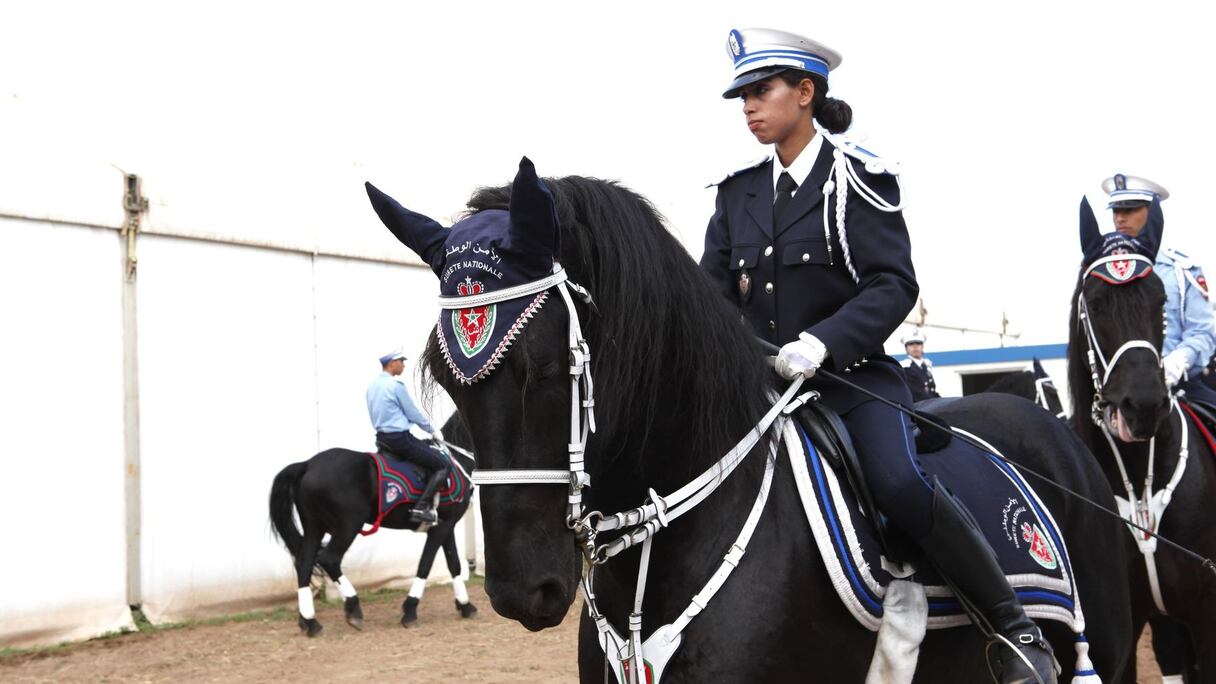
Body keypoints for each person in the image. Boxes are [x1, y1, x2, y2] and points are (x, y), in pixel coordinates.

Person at [700, 28, 1056, 682]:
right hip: (757, 392)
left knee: (896, 481)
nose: (749, 107)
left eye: (761, 91)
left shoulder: (856, 178)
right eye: (741, 97)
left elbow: (893, 283)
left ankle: (1012, 626)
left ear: (805, 93)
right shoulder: (735, 194)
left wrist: (824, 342)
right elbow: (712, 298)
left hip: (850, 382)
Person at [1103, 174, 1216, 407]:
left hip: (1180, 384)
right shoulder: (1102, 274)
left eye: (1130, 209)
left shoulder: (1182, 271)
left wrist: (1176, 362)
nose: (1120, 218)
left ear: (1152, 213)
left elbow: (1203, 333)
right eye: (1116, 211)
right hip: (1117, 388)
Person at [366, 348, 448, 524]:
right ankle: (420, 507)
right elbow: (413, 413)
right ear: (391, 363)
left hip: (382, 438)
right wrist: (432, 430)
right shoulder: (395, 386)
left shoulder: (372, 386)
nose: (403, 365)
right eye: (401, 361)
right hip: (400, 439)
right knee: (442, 465)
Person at [900, 328, 940, 401]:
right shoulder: (905, 368)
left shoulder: (926, 366)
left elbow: (932, 391)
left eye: (918, 343)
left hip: (929, 404)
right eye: (911, 344)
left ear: (922, 347)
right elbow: (916, 394)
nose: (915, 347)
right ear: (906, 348)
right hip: (917, 408)